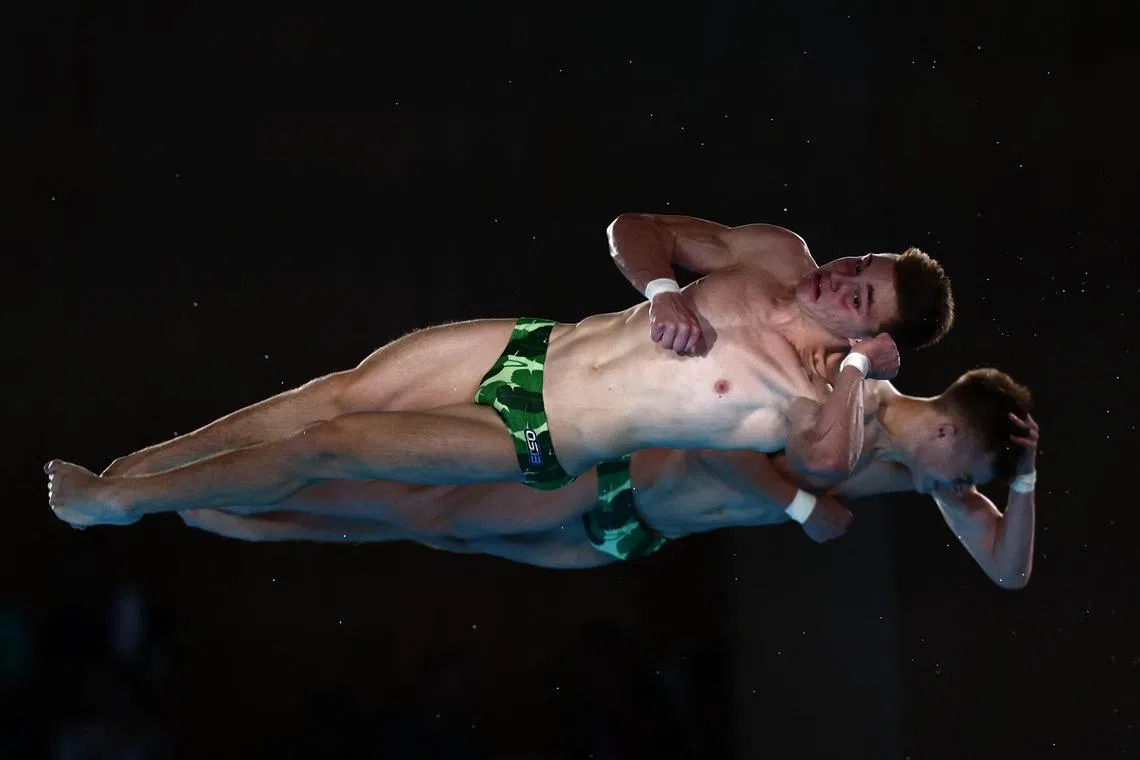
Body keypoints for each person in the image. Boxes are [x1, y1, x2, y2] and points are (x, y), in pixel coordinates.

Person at [46, 215, 952, 525]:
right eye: (858, 265)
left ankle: (124, 505)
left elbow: (828, 465)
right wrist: (663, 287)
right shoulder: (773, 252)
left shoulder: (806, 396)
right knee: (326, 393)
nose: (840, 280)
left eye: (860, 299)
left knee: (332, 443)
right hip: (528, 344)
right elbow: (633, 224)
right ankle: (136, 471)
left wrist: (858, 373)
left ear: (876, 338)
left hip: (535, 433)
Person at [51, 369, 1038, 589]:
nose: (967, 489)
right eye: (976, 467)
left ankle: (259, 520)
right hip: (610, 476)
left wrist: (1024, 485)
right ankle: (138, 492)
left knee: (433, 532)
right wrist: (793, 501)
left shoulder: (923, 474)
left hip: (633, 532)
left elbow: (1005, 569)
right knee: (421, 499)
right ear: (946, 424)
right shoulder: (843, 388)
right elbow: (709, 443)